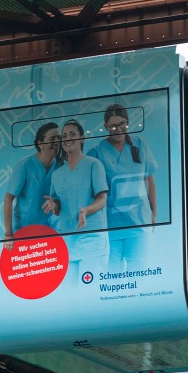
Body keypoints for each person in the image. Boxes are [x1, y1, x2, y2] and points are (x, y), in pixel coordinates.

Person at [88, 104, 159, 270]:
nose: (118, 129)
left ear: (127, 123)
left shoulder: (140, 145)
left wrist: (154, 212)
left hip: (139, 222)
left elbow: (149, 180)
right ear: (105, 127)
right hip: (111, 225)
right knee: (113, 273)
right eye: (113, 126)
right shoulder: (97, 153)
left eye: (122, 124)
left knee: (139, 271)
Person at [43, 119, 109, 280]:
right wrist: (54, 205)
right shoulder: (57, 174)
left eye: (72, 134)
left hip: (93, 238)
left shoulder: (94, 164)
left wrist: (86, 210)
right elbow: (58, 207)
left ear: (82, 138)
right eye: (64, 136)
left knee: (92, 293)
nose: (68, 138)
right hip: (68, 240)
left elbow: (102, 198)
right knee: (69, 293)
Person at [3, 122, 61, 248]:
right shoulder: (25, 165)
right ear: (40, 143)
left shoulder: (61, 166)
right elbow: (8, 199)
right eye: (52, 138)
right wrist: (8, 234)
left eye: (59, 138)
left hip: (51, 233)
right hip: (24, 233)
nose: (57, 142)